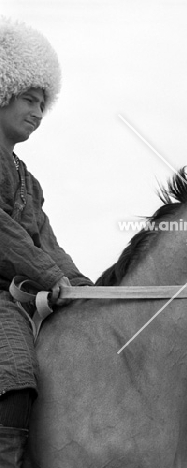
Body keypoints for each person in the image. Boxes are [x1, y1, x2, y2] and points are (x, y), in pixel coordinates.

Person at [0, 17, 93, 466]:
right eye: (28, 99)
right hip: (0, 301)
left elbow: (48, 243)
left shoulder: (28, 181)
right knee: (15, 373)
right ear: (2, 92)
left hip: (21, 301)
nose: (38, 112)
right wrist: (53, 278)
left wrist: (84, 288)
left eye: (43, 103)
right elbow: (5, 234)